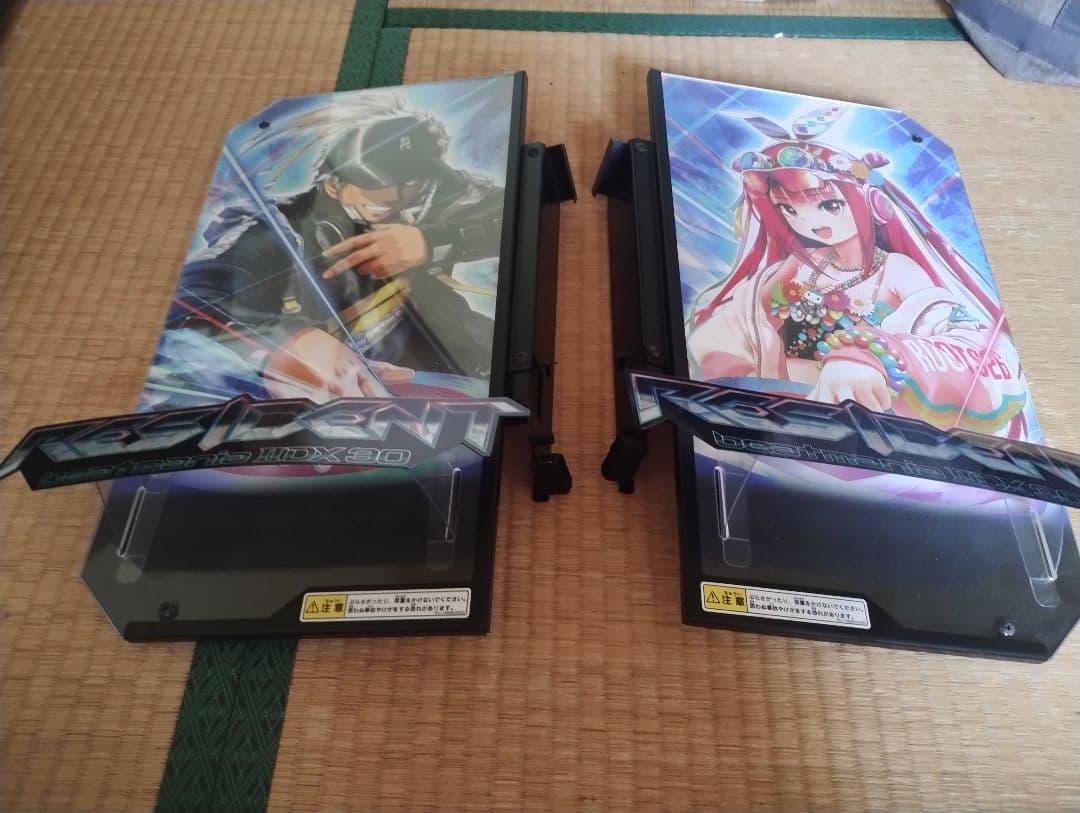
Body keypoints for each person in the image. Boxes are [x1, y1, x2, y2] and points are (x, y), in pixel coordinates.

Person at [687, 108, 1030, 439]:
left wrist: (871, 357)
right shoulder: (801, 264)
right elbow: (739, 322)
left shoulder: (897, 270)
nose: (810, 222)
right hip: (782, 417)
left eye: (830, 205)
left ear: (874, 203)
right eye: (788, 209)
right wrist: (730, 372)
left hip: (865, 431)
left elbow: (975, 350)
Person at [165, 94, 504, 402]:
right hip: (352, 396)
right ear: (333, 185)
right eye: (377, 184)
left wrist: (433, 242)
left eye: (411, 181)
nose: (398, 194)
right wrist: (286, 344)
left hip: (463, 355)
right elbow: (192, 306)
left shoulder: (424, 194)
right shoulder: (278, 232)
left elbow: (510, 208)